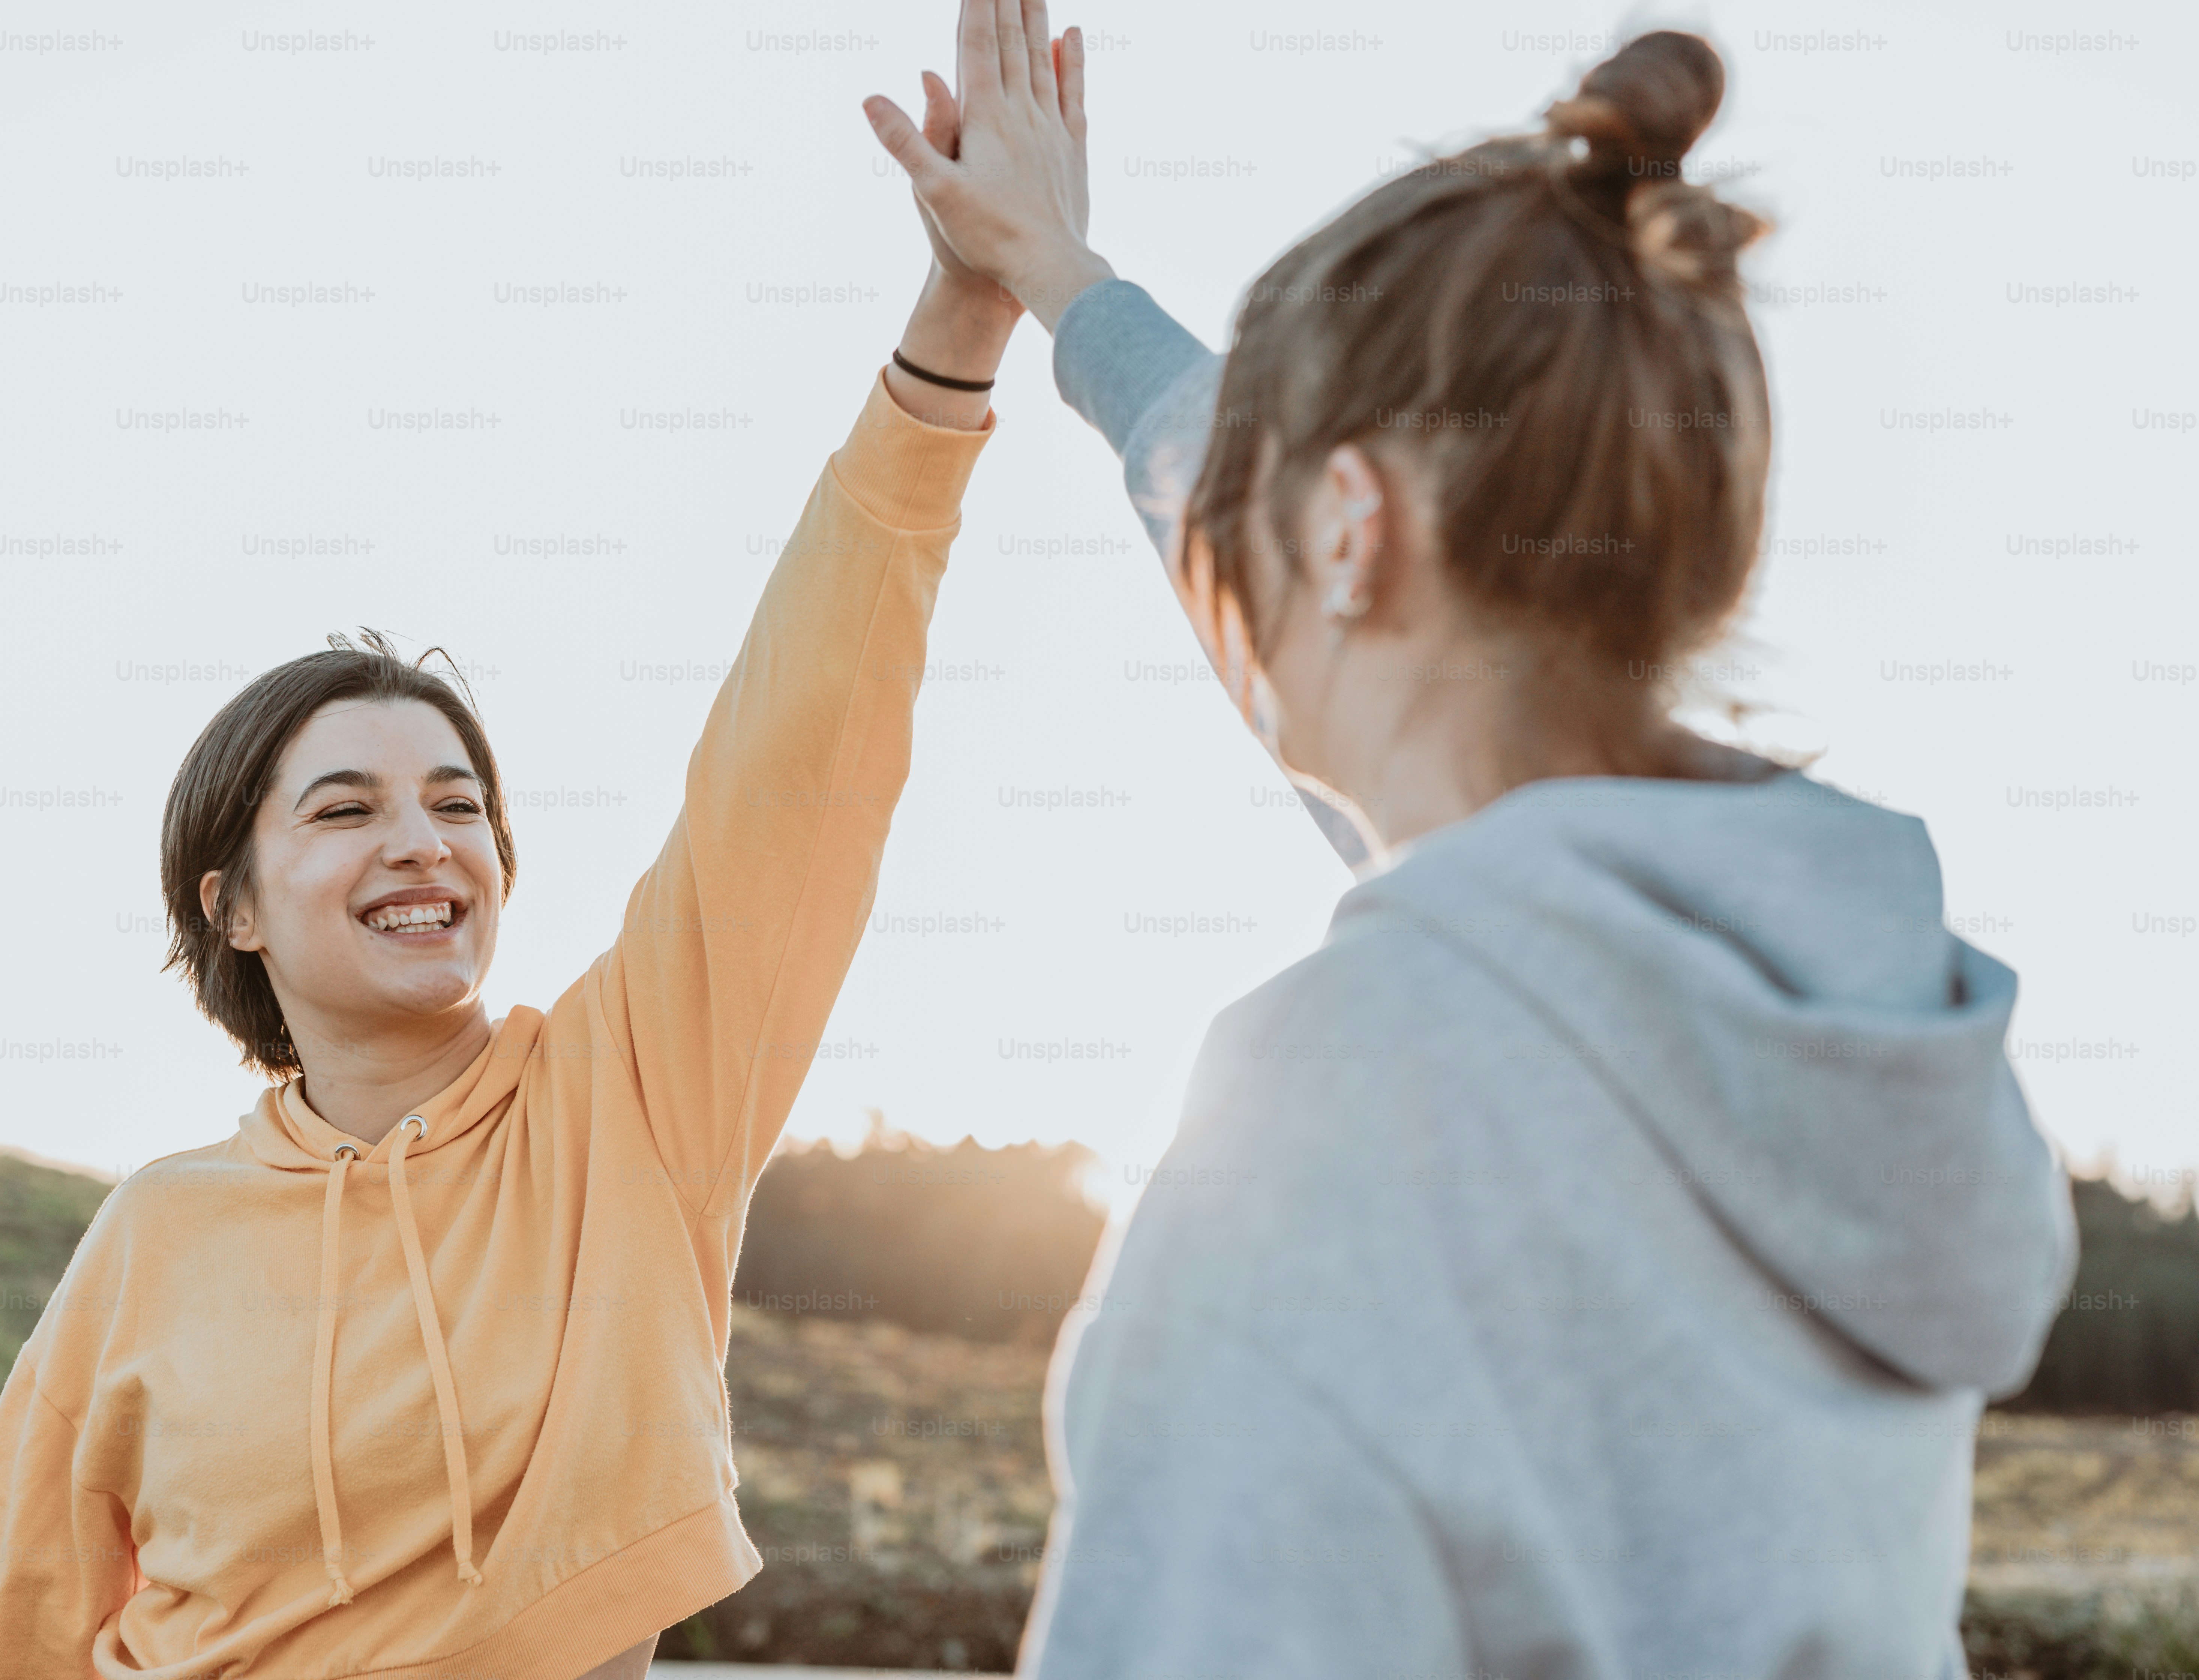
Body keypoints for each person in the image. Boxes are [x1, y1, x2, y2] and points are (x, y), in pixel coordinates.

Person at [866, 11, 2079, 1674]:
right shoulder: (1844, 1029)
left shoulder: (1334, 1126)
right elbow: (1258, 517)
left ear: (1353, 528)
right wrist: (1071, 287)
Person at [0, 198, 1015, 1680]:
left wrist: (952, 345)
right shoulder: (158, 1232)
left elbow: (793, 771)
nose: (422, 842)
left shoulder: (633, 1106)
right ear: (232, 904)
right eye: (346, 807)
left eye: (457, 802)